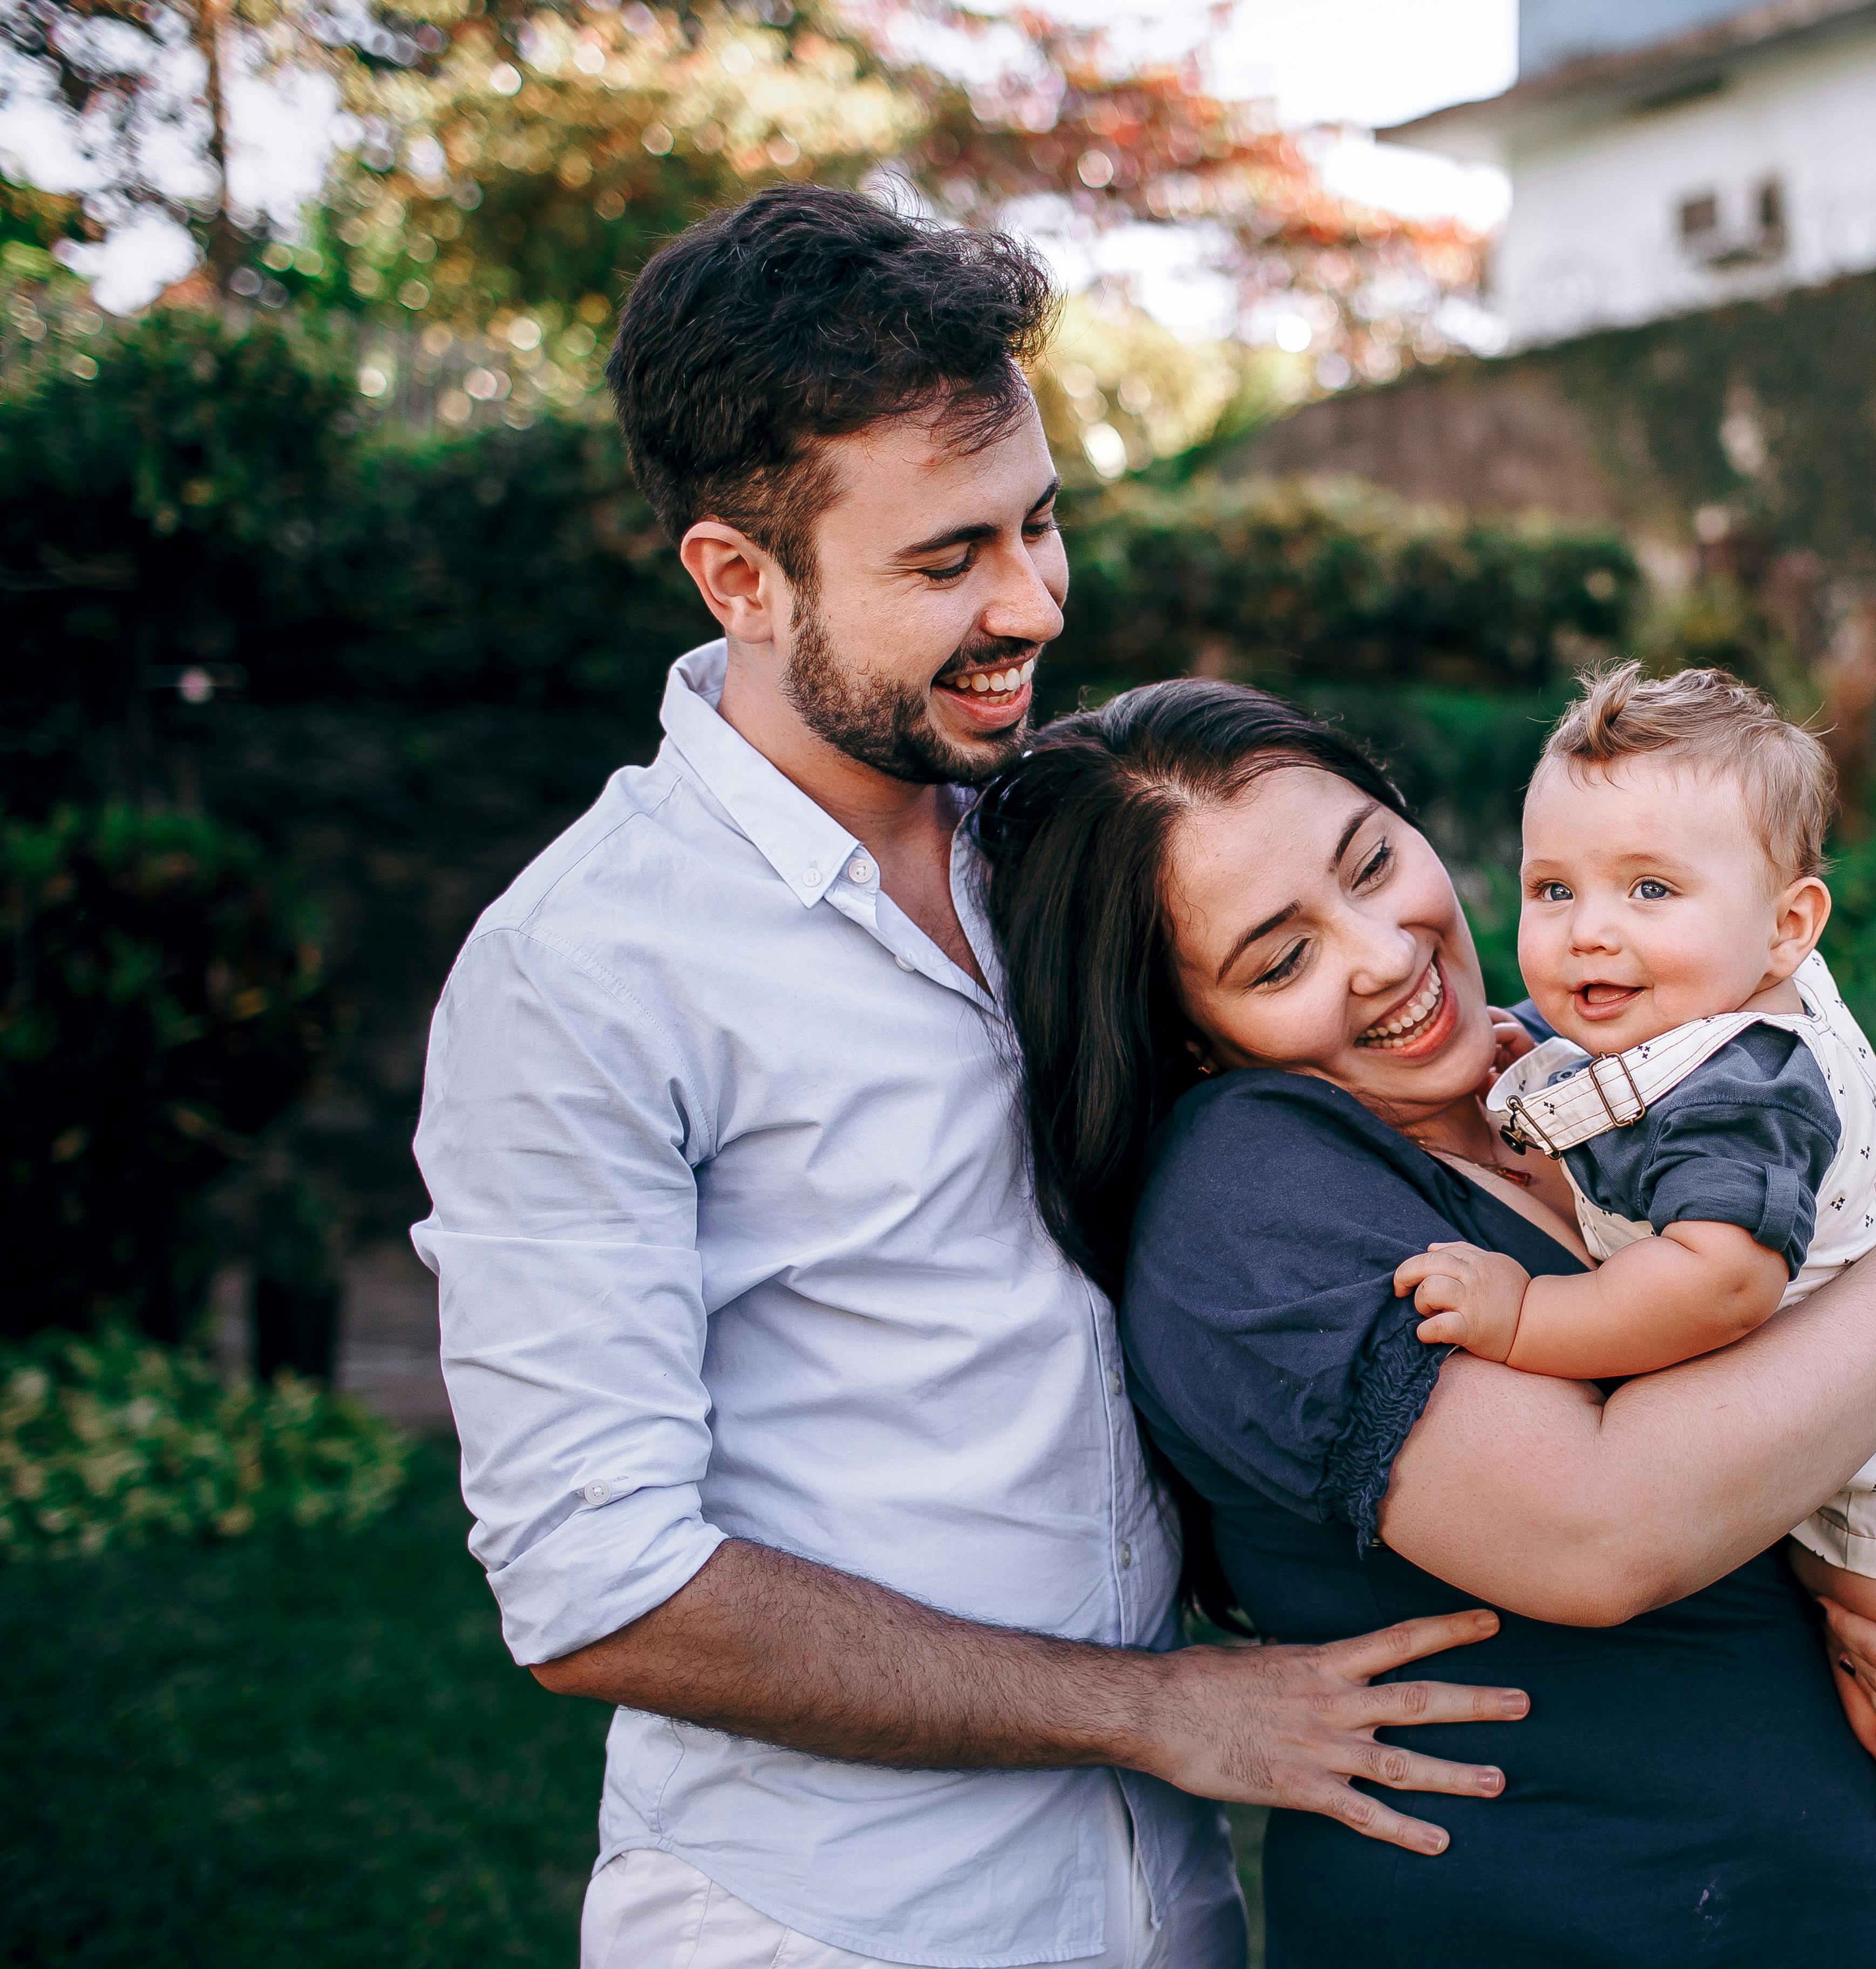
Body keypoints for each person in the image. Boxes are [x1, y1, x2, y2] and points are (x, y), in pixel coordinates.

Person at [409, 185, 1528, 1969]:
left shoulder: (1074, 847)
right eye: (947, 562)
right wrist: (1152, 1709)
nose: (1031, 603)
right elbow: (600, 1590)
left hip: (1176, 1892)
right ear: (738, 576)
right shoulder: (582, 971)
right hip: (829, 1918)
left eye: (1041, 523)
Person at [973, 678, 1876, 1966]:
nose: (1387, 953)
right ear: (1186, 1038)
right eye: (1282, 959)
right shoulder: (1250, 1192)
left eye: (1374, 864)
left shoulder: (1596, 1065)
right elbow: (1605, 1533)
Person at [1396, 664, 1876, 1969]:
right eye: (1556, 890)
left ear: (1788, 928)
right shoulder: (1687, 1033)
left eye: (1651, 891)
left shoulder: (1748, 1086)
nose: (1588, 933)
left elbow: (1715, 1281)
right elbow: (1623, 1158)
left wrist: (1523, 1320)